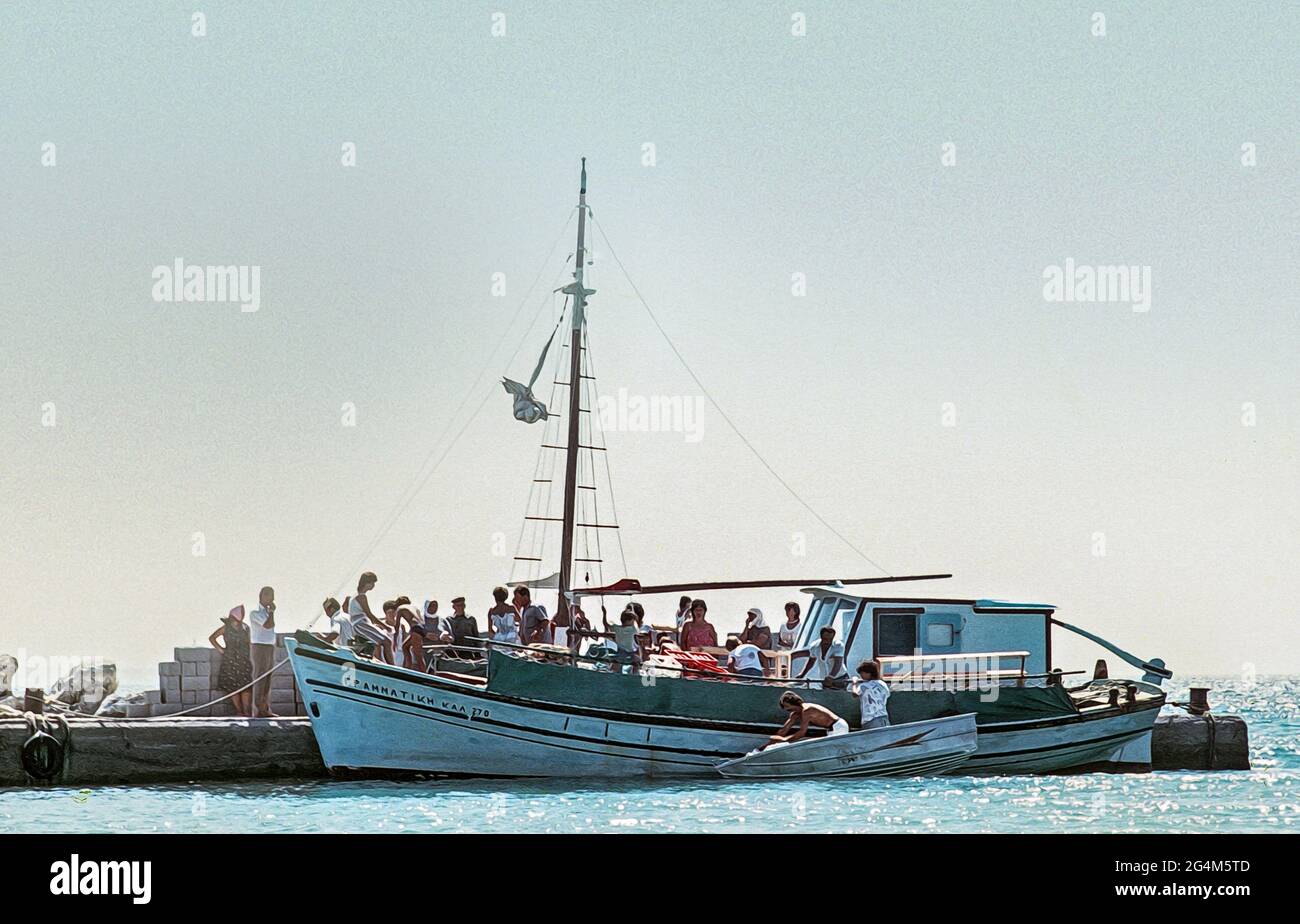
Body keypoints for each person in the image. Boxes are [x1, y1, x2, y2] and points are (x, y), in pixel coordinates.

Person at [758, 691, 848, 751]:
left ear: (794, 703)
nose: (787, 710)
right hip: (830, 729)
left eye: (788, 707)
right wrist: (768, 745)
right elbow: (784, 730)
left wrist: (784, 740)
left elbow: (802, 732)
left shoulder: (807, 710)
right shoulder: (795, 714)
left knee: (835, 749)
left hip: (838, 726)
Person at [210, 604, 253, 717]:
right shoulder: (225, 628)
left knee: (246, 686)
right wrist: (221, 649)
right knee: (233, 686)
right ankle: (239, 711)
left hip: (244, 660)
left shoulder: (245, 628)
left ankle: (247, 711)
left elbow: (250, 642)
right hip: (230, 660)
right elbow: (212, 638)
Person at [348, 572, 394, 662]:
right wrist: (386, 627)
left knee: (379, 644)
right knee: (387, 641)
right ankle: (392, 666)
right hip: (361, 624)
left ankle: (382, 663)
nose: (373, 586)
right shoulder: (361, 597)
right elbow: (370, 615)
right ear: (367, 583)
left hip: (359, 624)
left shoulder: (355, 596)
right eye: (373, 583)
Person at [248, 586, 278, 717]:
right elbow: (268, 625)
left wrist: (270, 612)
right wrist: (272, 612)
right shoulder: (255, 613)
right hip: (259, 647)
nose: (271, 599)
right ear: (262, 596)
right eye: (268, 595)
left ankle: (265, 708)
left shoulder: (266, 613)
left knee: (268, 679)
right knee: (260, 677)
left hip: (269, 646)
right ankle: (258, 709)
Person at [797, 625, 848, 689]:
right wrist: (802, 674)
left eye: (830, 639)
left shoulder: (838, 645)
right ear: (821, 637)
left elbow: (838, 663)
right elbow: (811, 661)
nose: (828, 642)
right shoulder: (814, 646)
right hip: (824, 680)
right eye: (826, 639)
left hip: (840, 679)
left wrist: (831, 677)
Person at [850, 659, 890, 729]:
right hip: (884, 717)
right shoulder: (883, 684)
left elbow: (855, 694)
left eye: (862, 673)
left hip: (870, 719)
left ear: (868, 673)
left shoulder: (864, 686)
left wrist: (854, 683)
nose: (861, 675)